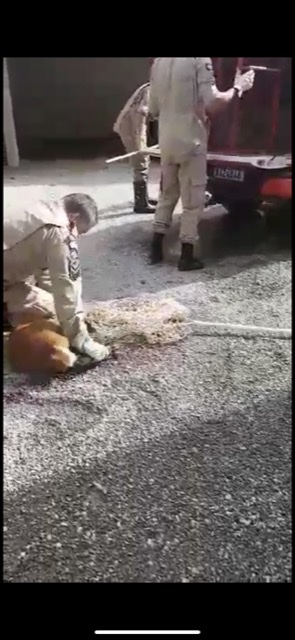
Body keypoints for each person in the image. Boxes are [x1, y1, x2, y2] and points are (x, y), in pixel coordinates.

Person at [148, 58, 256, 270]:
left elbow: (153, 108)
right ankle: (186, 256)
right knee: (193, 200)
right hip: (191, 139)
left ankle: (155, 249)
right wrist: (238, 87)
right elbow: (213, 102)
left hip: (167, 139)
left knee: (167, 194)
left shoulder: (159, 62)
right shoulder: (199, 60)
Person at [4, 193, 110, 363]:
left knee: (47, 305)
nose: (77, 237)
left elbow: (45, 272)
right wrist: (80, 338)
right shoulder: (61, 231)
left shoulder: (38, 209)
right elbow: (67, 288)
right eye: (80, 232)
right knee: (52, 312)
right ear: (74, 218)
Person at [113, 78, 158, 214]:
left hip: (131, 123)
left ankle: (144, 197)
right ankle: (141, 204)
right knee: (141, 162)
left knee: (144, 160)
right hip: (131, 126)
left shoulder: (151, 88)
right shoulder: (152, 90)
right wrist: (140, 145)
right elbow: (140, 115)